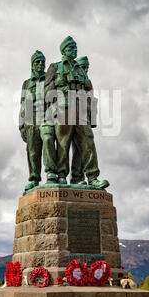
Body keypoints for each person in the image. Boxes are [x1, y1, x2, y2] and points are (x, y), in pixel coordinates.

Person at [44, 36, 109, 189]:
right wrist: (58, 90)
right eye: (71, 48)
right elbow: (47, 92)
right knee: (62, 143)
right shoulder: (55, 67)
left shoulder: (81, 70)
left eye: (75, 48)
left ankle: (92, 177)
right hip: (63, 109)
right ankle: (61, 175)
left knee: (88, 141)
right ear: (63, 50)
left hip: (80, 111)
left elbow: (89, 92)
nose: (74, 50)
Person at [19, 51, 57, 193]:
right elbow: (22, 105)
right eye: (37, 62)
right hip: (30, 119)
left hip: (46, 116)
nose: (40, 64)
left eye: (42, 62)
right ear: (32, 65)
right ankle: (34, 178)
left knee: (48, 139)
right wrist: (21, 125)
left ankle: (51, 173)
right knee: (33, 150)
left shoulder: (49, 80)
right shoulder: (26, 84)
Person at [70, 55, 97, 185]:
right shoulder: (74, 79)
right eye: (83, 67)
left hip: (84, 117)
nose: (85, 69)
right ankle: (75, 177)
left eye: (87, 67)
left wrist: (92, 120)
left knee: (82, 148)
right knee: (72, 149)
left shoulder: (88, 82)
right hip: (69, 117)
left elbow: (91, 100)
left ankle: (79, 177)